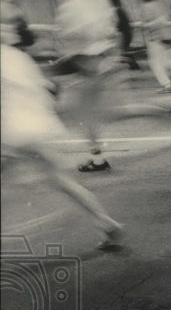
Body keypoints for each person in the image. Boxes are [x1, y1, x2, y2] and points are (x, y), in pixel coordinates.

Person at [2, 18, 123, 251]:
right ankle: (106, 222)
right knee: (61, 181)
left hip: (13, 130)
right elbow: (48, 88)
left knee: (10, 183)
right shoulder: (20, 58)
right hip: (37, 125)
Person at [53, 0, 120, 172]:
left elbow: (71, 36)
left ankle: (98, 159)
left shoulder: (70, 7)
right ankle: (161, 113)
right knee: (105, 114)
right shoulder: (100, 1)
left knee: (83, 117)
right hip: (104, 61)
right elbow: (112, 31)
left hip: (84, 66)